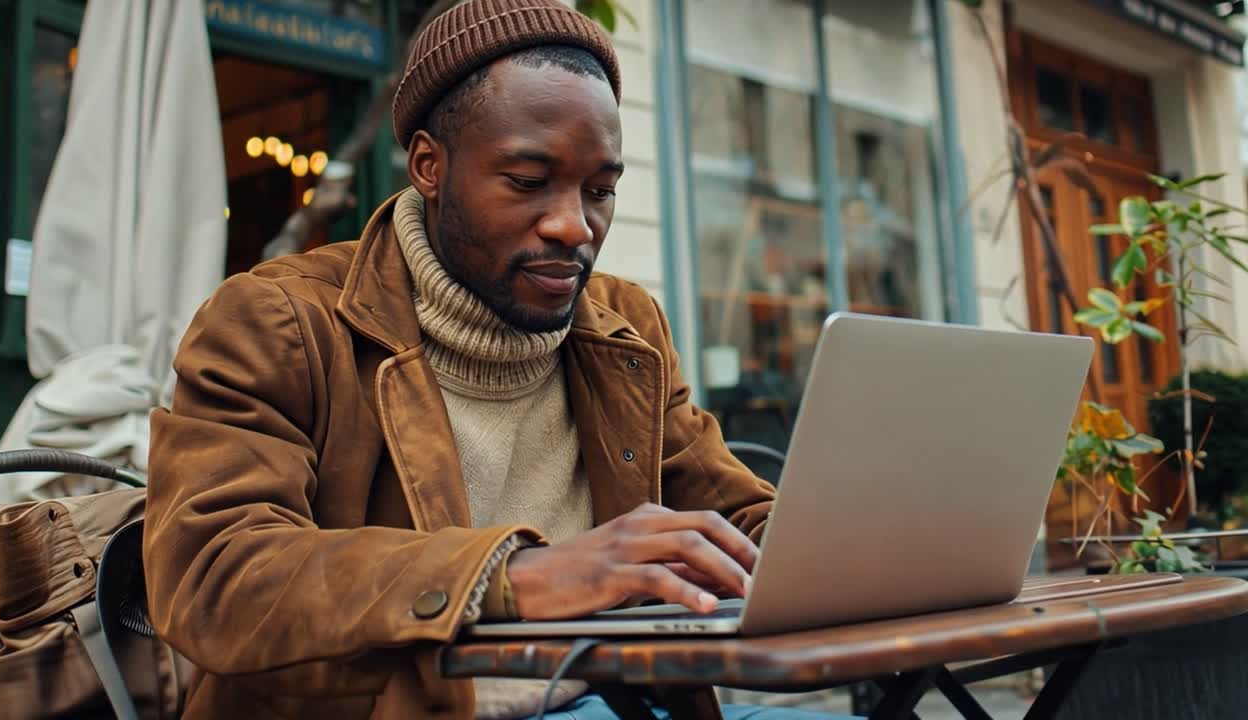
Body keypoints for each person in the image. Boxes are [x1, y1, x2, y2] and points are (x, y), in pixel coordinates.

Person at [144, 1, 854, 718]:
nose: (575, 225)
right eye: (527, 181)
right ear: (429, 165)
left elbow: (736, 517)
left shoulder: (625, 327)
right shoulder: (278, 322)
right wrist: (509, 576)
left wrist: (867, 555)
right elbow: (213, 575)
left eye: (601, 190)